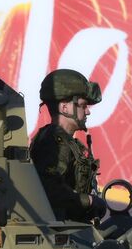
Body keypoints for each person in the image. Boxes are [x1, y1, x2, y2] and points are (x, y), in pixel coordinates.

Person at [29, 69, 105, 223]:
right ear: (64, 108)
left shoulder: (63, 140)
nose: (88, 112)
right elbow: (50, 190)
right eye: (83, 106)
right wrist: (89, 201)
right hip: (62, 229)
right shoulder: (54, 141)